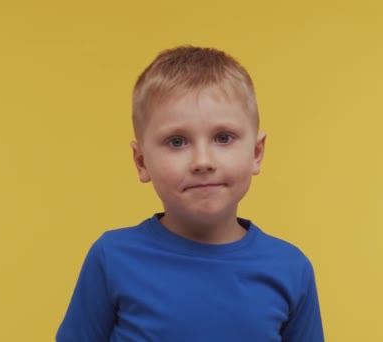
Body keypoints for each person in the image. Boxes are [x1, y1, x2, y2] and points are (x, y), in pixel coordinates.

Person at [56, 46, 324, 341]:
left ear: (256, 153)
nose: (202, 162)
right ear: (142, 161)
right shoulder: (112, 257)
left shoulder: (290, 268)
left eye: (223, 138)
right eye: (177, 142)